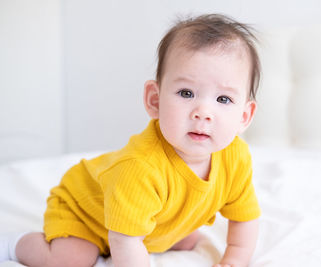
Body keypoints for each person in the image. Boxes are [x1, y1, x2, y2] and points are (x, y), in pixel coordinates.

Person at [1, 13, 262, 267]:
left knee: (185, 239)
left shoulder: (235, 158)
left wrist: (234, 260)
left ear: (244, 115)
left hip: (141, 218)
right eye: (186, 93)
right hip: (85, 213)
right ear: (154, 101)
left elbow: (245, 217)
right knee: (72, 260)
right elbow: (125, 241)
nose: (203, 113)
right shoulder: (141, 167)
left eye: (223, 99)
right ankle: (13, 244)